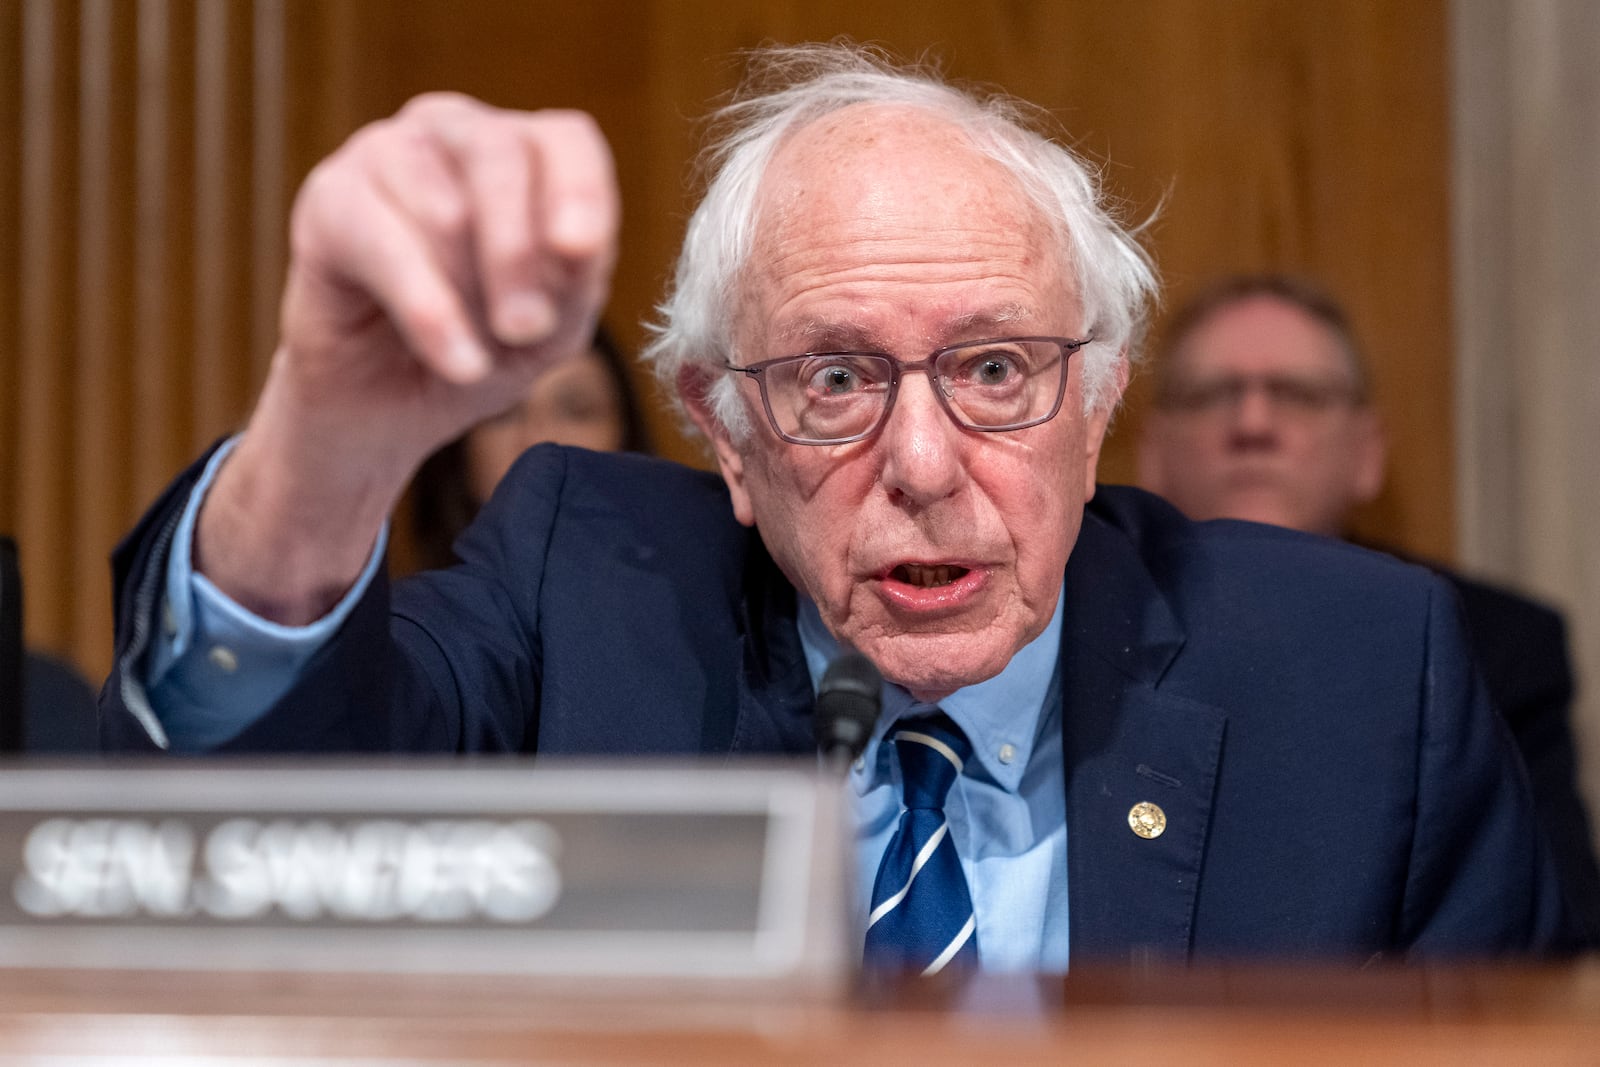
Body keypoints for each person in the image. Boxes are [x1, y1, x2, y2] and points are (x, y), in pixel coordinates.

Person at [100, 45, 1574, 969]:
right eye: (832, 378)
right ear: (723, 432)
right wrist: (328, 428)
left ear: (1103, 397)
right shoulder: (586, 590)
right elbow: (254, 794)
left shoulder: (1362, 679)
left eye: (999, 368)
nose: (925, 464)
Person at [1136, 273, 1600, 947]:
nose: (1253, 423)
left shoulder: (1494, 642)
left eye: (1297, 394)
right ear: (1152, 451)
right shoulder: (1080, 623)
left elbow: (1551, 937)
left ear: (1367, 452)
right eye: (1211, 395)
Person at [409, 324, 649, 571]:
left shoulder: (683, 602)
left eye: (576, 410)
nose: (540, 441)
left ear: (626, 436)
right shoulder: (401, 607)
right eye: (502, 412)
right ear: (460, 448)